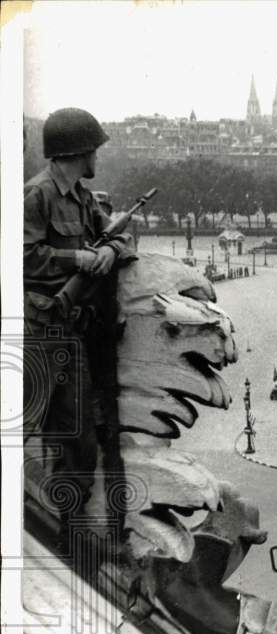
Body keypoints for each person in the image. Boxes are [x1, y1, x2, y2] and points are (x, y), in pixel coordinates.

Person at [23, 108, 136, 548]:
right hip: (39, 331)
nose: (97, 158)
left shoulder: (82, 198)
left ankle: (67, 536)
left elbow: (113, 233)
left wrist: (110, 249)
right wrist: (80, 259)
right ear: (78, 151)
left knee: (79, 442)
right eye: (93, 150)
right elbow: (22, 257)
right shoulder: (37, 196)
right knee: (36, 430)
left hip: (68, 334)